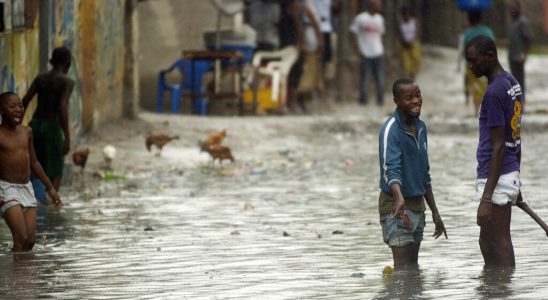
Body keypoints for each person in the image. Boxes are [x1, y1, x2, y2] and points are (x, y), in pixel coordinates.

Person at [465, 35, 523, 267]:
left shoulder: (494, 93)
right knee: (489, 240)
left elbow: (499, 146)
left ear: (489, 57)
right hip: (507, 173)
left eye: (474, 60)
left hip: (496, 174)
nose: (471, 66)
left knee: (497, 241)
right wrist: (517, 178)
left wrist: (486, 198)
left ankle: (502, 286)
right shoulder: (512, 83)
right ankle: (494, 288)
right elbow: (516, 136)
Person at [378, 78, 447, 268]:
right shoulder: (390, 130)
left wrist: (435, 212)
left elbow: (424, 174)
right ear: (396, 101)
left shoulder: (422, 127)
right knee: (402, 271)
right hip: (396, 207)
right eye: (409, 98)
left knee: (413, 271)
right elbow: (390, 169)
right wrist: (399, 196)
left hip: (418, 206)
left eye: (418, 95)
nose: (416, 101)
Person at [0, 91, 62, 252]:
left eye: (20, 105)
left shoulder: (26, 132)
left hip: (27, 188)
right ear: (1, 110)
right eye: (12, 106)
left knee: (30, 242)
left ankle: (21, 274)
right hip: (6, 189)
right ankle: (18, 276)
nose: (18, 109)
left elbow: (34, 162)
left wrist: (51, 188)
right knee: (21, 238)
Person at [22, 47, 75, 192]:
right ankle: (53, 206)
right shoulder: (67, 82)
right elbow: (62, 107)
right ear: (68, 63)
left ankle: (35, 202)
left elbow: (25, 100)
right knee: (56, 169)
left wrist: (16, 128)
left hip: (35, 126)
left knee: (35, 165)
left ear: (52, 61)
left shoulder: (41, 78)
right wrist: (67, 138)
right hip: (52, 129)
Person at [350, 0, 385, 106]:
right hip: (365, 53)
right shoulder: (360, 18)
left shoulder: (380, 19)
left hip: (378, 52)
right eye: (378, 5)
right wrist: (357, 50)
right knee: (365, 78)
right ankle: (363, 100)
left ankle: (380, 101)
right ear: (371, 5)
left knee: (380, 78)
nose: (380, 7)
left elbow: (381, 35)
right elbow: (351, 34)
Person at [460, 12, 495, 116]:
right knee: (486, 85)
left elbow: (465, 48)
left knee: (475, 86)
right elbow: (492, 45)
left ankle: (476, 111)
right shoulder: (487, 31)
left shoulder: (467, 33)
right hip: (485, 63)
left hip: (472, 63)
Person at [507, 0, 533, 100]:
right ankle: (517, 103)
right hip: (512, 57)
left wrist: (524, 54)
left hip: (518, 57)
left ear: (518, 9)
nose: (511, 10)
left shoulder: (522, 22)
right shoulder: (514, 23)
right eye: (510, 8)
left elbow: (530, 38)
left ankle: (521, 103)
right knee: (514, 81)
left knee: (519, 81)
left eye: (513, 8)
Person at [398, 5, 421, 79]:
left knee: (415, 60)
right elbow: (399, 34)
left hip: (414, 44)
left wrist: (413, 40)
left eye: (408, 14)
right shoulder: (401, 23)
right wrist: (403, 41)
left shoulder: (414, 21)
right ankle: (407, 77)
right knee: (406, 64)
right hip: (404, 45)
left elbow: (418, 32)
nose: (407, 16)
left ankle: (413, 77)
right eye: (405, 14)